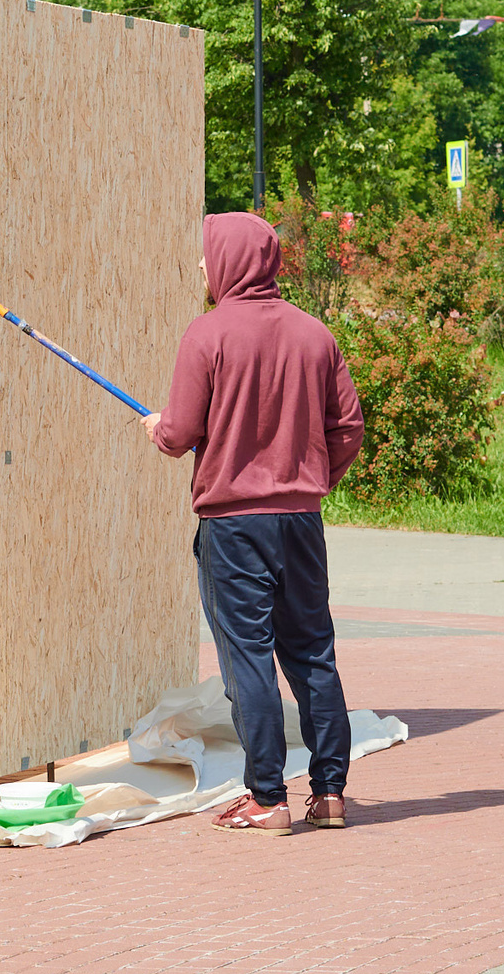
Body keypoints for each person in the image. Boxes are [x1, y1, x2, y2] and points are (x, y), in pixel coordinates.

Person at [143, 211, 364, 835]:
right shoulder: (315, 335)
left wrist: (157, 429)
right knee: (313, 653)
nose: (201, 268)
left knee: (248, 659)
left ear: (229, 262)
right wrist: (311, 479)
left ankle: (267, 797)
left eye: (206, 257)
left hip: (235, 524)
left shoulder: (207, 335)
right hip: (300, 521)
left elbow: (180, 433)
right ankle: (330, 795)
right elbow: (347, 428)